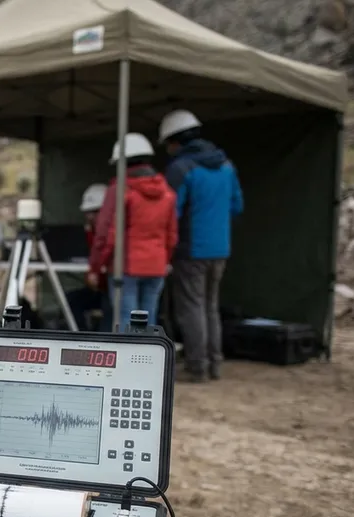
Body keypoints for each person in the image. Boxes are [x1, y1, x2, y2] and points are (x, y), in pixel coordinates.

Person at [159, 109, 245, 382]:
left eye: (169, 144)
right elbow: (237, 205)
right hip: (221, 248)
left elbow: (170, 212)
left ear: (177, 141)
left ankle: (197, 366)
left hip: (191, 249)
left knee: (191, 307)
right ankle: (214, 364)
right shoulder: (227, 165)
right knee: (210, 306)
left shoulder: (181, 169)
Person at [87, 133, 178, 332]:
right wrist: (164, 260)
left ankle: (125, 364)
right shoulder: (168, 193)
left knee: (125, 321)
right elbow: (171, 236)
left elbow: (106, 234)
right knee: (149, 319)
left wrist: (95, 267)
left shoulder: (119, 190)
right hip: (156, 266)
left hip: (125, 267)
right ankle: (149, 363)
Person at [65, 183, 110, 331]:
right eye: (88, 212)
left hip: (112, 288)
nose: (90, 216)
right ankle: (80, 338)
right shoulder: (90, 232)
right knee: (71, 300)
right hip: (98, 287)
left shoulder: (114, 233)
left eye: (95, 212)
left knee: (110, 306)